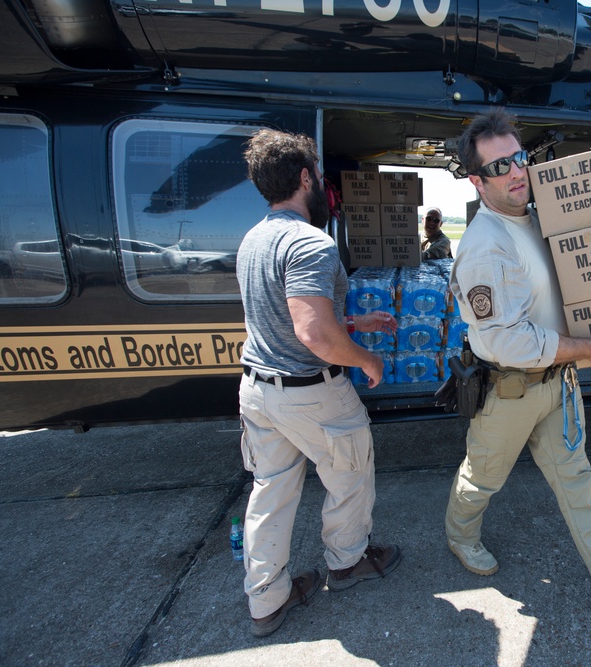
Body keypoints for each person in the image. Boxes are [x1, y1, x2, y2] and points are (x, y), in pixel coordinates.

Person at [444, 108, 591, 611]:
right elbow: (508, 342)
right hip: (509, 390)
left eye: (519, 158)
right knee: (482, 478)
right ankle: (460, 536)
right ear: (478, 181)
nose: (516, 171)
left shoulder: (537, 221)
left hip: (557, 384)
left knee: (579, 485)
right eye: (499, 166)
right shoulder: (486, 244)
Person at [237, 129, 401, 637]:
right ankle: (347, 562)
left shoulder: (254, 238)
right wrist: (366, 359)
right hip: (310, 391)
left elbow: (283, 319)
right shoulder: (309, 240)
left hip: (259, 391)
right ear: (306, 177)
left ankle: (266, 601)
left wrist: (353, 324)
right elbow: (312, 333)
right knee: (350, 472)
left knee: (272, 492)